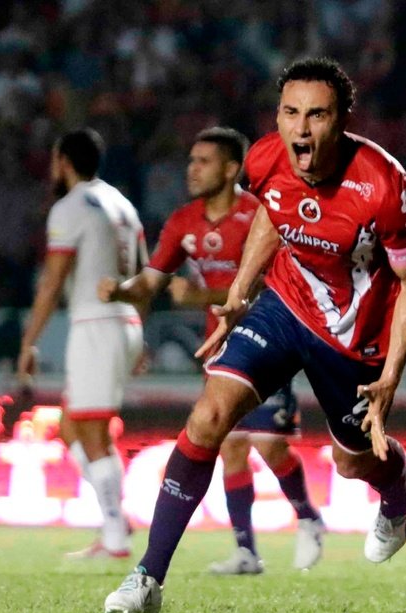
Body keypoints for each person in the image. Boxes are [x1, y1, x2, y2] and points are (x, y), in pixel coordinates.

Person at [102, 57, 406, 613]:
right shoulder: (264, 158)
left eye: (317, 115)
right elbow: (273, 217)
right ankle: (146, 579)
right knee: (208, 418)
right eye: (290, 113)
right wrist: (239, 292)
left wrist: (390, 375)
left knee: (352, 463)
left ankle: (401, 490)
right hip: (284, 305)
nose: (301, 129)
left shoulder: (383, 186)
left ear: (343, 120)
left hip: (354, 338)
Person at [97, 126, 326, 575]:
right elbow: (152, 280)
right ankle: (246, 551)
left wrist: (199, 298)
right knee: (233, 446)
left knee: (268, 443)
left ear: (231, 168)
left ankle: (308, 517)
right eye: (191, 160)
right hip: (222, 346)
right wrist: (121, 292)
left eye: (203, 161)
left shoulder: (259, 214)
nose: (192, 169)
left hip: (270, 338)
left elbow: (268, 282)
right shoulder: (184, 222)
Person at [17, 128, 145, 559]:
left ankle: (115, 537)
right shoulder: (122, 204)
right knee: (71, 425)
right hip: (122, 323)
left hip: (95, 324)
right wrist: (137, 330)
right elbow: (144, 276)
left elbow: (52, 282)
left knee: (90, 429)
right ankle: (116, 518)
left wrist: (28, 342)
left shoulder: (70, 207)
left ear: (64, 162)